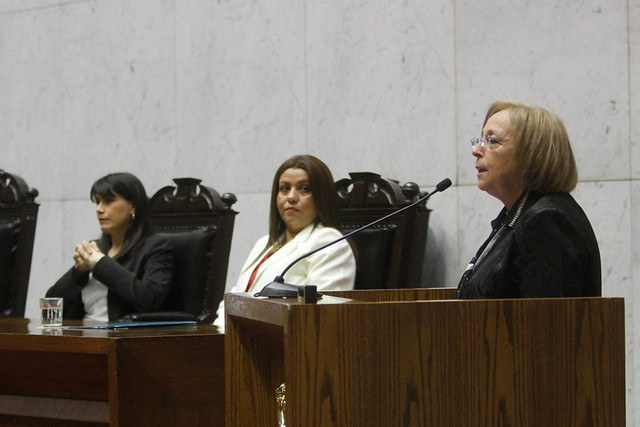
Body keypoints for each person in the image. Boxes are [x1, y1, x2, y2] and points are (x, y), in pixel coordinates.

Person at [456, 100, 601, 299]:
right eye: (481, 140)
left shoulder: (547, 222)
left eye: (492, 141)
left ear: (531, 154)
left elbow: (547, 322)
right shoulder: (518, 216)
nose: (476, 150)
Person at [214, 155, 356, 326]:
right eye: (284, 188)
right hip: (237, 341)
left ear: (322, 197)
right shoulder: (264, 243)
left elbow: (323, 314)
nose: (291, 197)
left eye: (304, 189)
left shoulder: (328, 241)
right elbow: (235, 297)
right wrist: (218, 334)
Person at [46, 172, 174, 322]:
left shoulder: (156, 247)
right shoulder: (97, 248)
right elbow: (51, 304)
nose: (99, 209)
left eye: (108, 201)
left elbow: (149, 299)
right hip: (81, 334)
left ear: (132, 206)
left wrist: (100, 264)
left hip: (121, 338)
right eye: (98, 202)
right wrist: (78, 271)